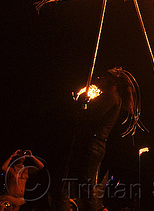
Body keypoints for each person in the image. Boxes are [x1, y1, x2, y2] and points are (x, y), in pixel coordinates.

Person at [51, 67, 141, 211]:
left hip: (92, 145)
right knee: (74, 184)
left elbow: (90, 118)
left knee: (82, 187)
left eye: (104, 78)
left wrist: (83, 104)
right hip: (92, 144)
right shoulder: (111, 96)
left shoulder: (110, 96)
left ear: (112, 81)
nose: (100, 80)